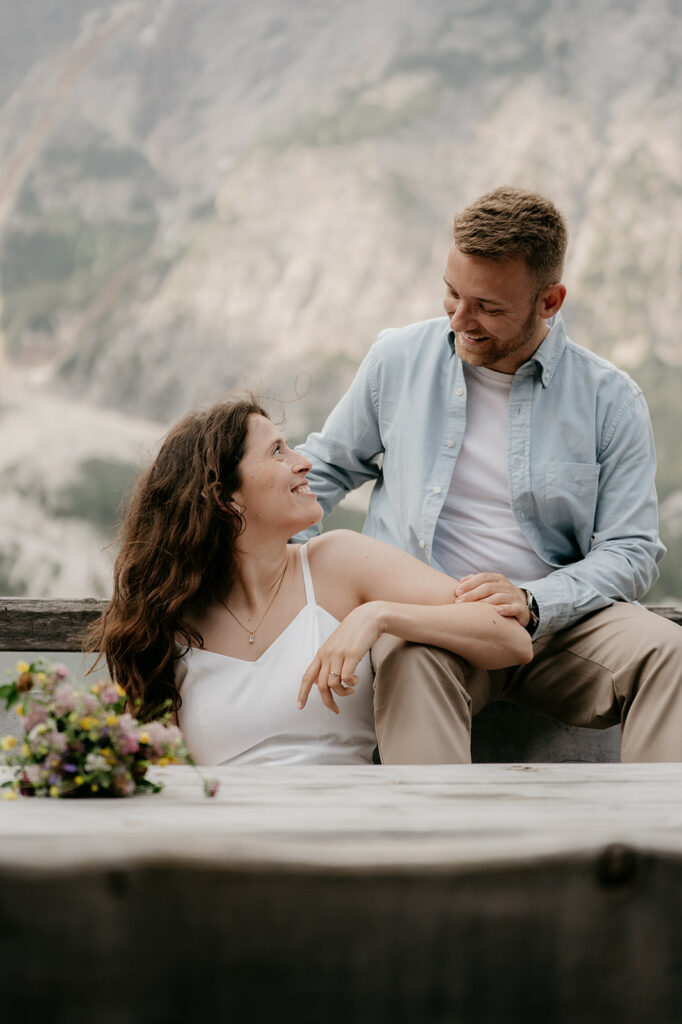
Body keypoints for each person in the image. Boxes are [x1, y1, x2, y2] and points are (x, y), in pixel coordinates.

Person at [296, 185, 682, 763]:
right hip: (428, 618)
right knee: (408, 655)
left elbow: (630, 550)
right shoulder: (397, 358)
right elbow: (320, 473)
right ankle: (438, 849)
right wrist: (301, 588)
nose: (459, 320)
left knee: (670, 652)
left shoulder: (612, 400)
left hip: (556, 627)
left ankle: (658, 847)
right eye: (451, 294)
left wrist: (533, 600)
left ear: (549, 301)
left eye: (488, 307)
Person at [90, 398, 531, 765]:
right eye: (278, 452)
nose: (304, 463)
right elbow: (154, 775)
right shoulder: (167, 622)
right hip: (225, 847)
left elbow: (511, 639)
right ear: (224, 497)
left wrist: (379, 615)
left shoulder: (336, 562)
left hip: (342, 842)